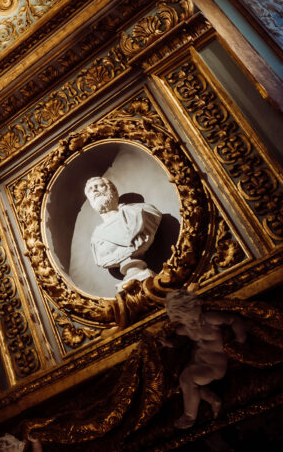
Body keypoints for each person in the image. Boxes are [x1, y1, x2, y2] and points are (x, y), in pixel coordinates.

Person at [163, 288, 246, 428]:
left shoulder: (210, 319)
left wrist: (240, 336)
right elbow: (180, 341)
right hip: (198, 362)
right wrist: (170, 344)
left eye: (197, 317)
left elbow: (234, 320)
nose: (197, 323)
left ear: (198, 304)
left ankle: (189, 415)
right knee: (186, 385)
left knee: (187, 378)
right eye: (190, 322)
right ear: (180, 321)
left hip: (213, 367)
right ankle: (212, 399)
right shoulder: (184, 329)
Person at [85, 176, 163, 287]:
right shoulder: (96, 239)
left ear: (113, 190)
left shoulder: (142, 212)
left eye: (99, 186)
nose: (94, 190)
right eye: (90, 189)